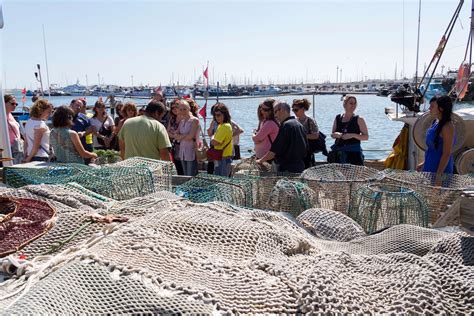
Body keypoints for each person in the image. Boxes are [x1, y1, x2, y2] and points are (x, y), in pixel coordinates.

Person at [256, 101, 307, 173]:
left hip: (287, 169)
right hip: (300, 167)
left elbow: (273, 152)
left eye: (275, 112)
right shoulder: (300, 125)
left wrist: (260, 161)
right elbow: (306, 148)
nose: (275, 115)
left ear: (282, 110)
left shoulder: (285, 126)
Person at [417, 96, 456, 182]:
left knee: (438, 194)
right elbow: (434, 148)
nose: (429, 108)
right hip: (429, 166)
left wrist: (439, 175)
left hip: (441, 169)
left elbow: (447, 153)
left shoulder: (447, 127)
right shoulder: (435, 122)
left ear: (441, 108)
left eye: (432, 106)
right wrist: (424, 163)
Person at [330, 95, 369, 165]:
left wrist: (352, 135)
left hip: (354, 154)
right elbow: (332, 135)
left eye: (355, 103)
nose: (353, 105)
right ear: (345, 104)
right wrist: (337, 135)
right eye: (351, 103)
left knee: (355, 175)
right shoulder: (338, 118)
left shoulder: (359, 119)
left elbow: (366, 137)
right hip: (339, 154)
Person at [171, 100, 200, 176]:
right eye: (181, 109)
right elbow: (176, 134)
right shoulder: (182, 121)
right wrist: (184, 136)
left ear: (189, 109)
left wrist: (181, 136)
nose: (183, 111)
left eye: (184, 109)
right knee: (184, 174)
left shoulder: (194, 120)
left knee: (190, 175)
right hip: (182, 151)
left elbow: (191, 136)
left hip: (191, 151)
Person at [292, 98, 320, 168]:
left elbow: (316, 135)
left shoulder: (310, 120)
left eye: (296, 110)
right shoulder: (294, 120)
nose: (294, 112)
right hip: (297, 151)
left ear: (303, 109)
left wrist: (302, 136)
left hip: (308, 150)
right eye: (293, 110)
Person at [210, 103, 233, 176]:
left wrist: (212, 137)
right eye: (215, 115)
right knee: (220, 178)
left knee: (222, 179)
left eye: (218, 115)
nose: (216, 117)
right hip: (221, 156)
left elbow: (215, 142)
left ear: (225, 114)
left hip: (224, 157)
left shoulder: (224, 126)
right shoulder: (221, 125)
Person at [70, 99, 94, 164]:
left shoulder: (84, 118)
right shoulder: (64, 116)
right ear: (71, 105)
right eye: (77, 105)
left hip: (82, 146)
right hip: (68, 147)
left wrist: (83, 133)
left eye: (81, 106)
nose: (79, 107)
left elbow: (90, 129)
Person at [4, 94, 23, 164]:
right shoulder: (2, 116)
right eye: (12, 104)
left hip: (16, 147)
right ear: (4, 103)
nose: (14, 105)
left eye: (16, 104)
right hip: (7, 148)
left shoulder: (10, 115)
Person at [167, 99, 184, 175]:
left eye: (176, 107)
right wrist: (175, 136)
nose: (174, 109)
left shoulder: (184, 118)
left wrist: (174, 135)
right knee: (177, 166)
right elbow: (167, 131)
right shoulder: (172, 119)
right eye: (173, 108)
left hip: (183, 145)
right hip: (175, 145)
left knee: (184, 166)